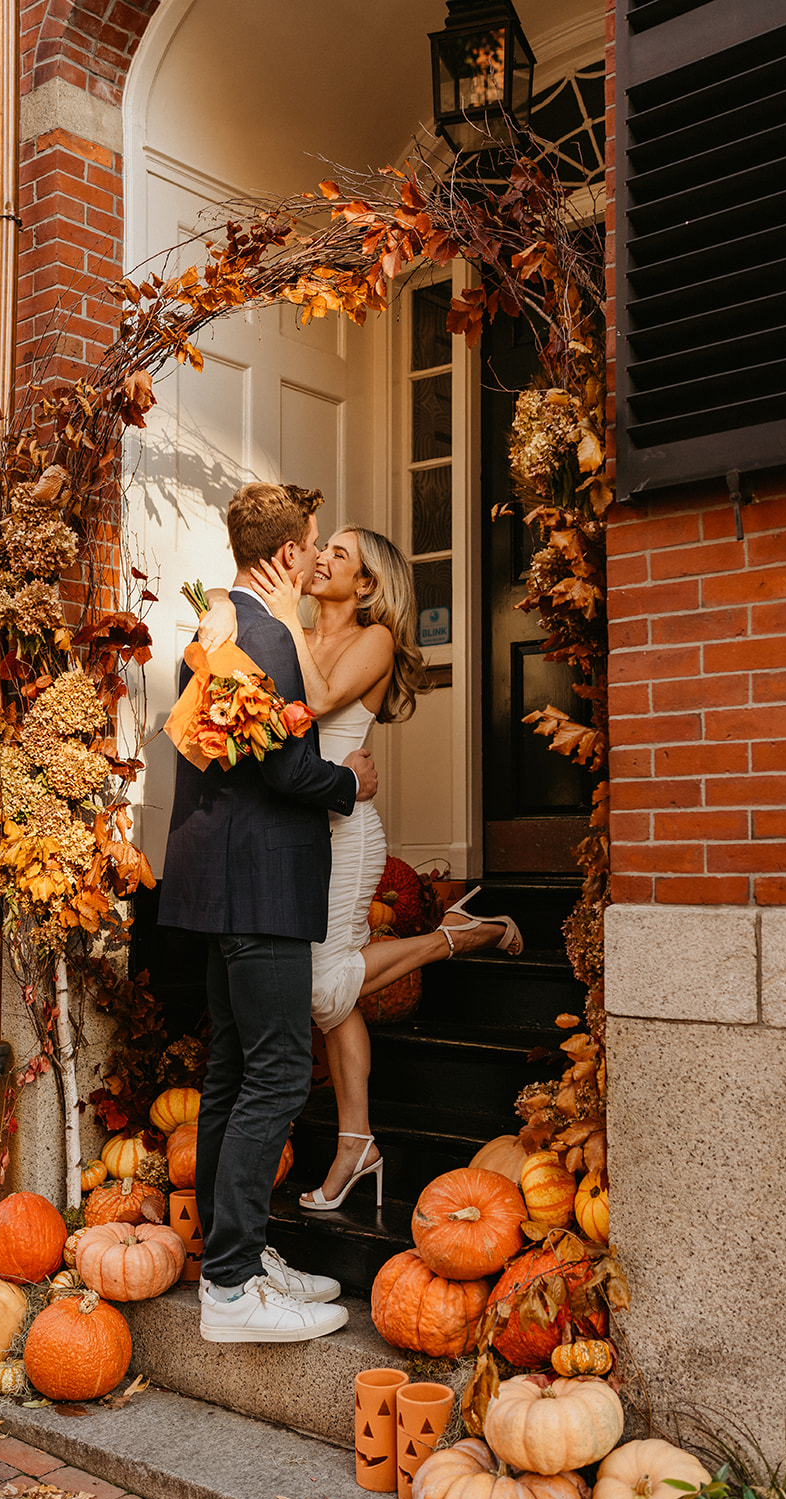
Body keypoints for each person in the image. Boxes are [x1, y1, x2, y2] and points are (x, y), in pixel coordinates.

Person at [200, 507, 521, 1214]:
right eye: (324, 549)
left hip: (344, 831)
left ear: (367, 584)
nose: (320, 561)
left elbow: (307, 702)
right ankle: (357, 1143)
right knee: (336, 1002)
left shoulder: (374, 639)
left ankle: (458, 936)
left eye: (337, 556)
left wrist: (278, 620)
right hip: (297, 825)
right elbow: (240, 626)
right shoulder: (301, 627)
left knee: (320, 989)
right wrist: (225, 606)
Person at [158, 482, 378, 1343]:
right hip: (264, 886)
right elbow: (286, 774)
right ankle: (229, 1285)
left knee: (229, 1074)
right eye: (312, 544)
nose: (314, 555)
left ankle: (233, 1254)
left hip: (213, 884)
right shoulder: (268, 637)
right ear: (287, 555)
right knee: (280, 1073)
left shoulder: (212, 632)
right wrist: (349, 784)